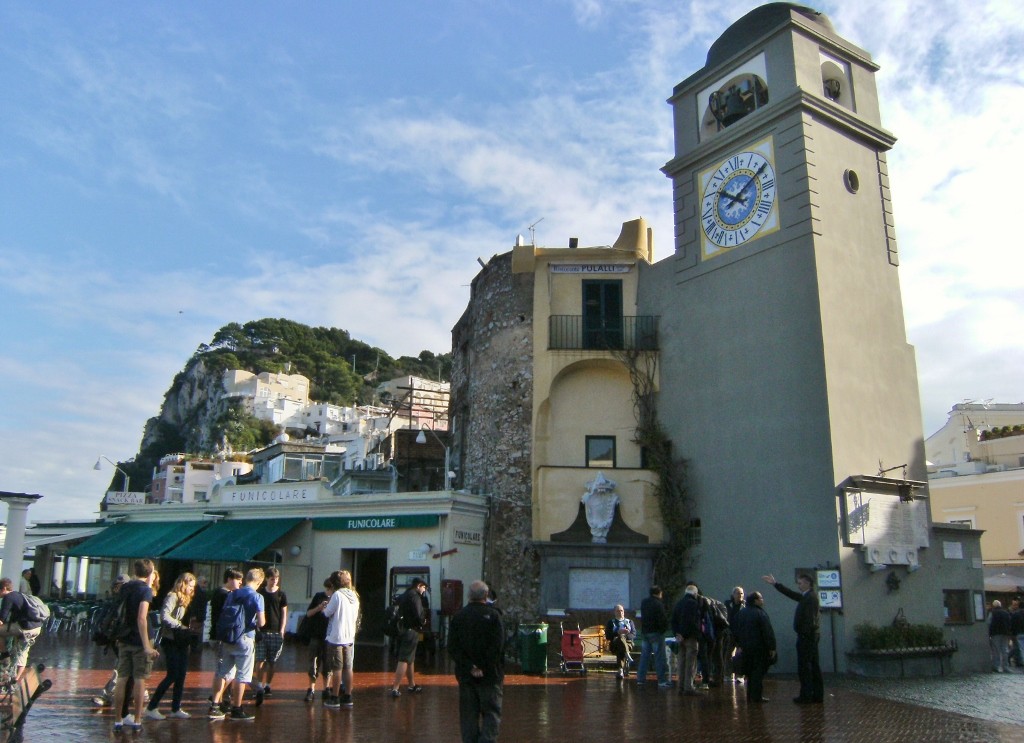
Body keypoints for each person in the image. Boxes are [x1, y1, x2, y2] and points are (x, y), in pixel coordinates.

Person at [449, 580, 504, 743]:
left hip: (466, 676)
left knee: (468, 716)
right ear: (486, 596)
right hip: (490, 675)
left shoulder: (458, 617)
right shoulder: (494, 616)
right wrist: (483, 666)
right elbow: (497, 646)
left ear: (468, 596)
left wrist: (470, 666)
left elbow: (453, 647)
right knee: (491, 713)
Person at [209, 568, 265, 722]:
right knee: (242, 675)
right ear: (259, 582)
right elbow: (262, 622)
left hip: (228, 637)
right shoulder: (257, 596)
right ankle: (237, 708)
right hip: (245, 638)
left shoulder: (233, 593)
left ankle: (215, 706)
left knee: (222, 672)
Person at [111, 559, 161, 733]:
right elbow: (142, 617)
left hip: (123, 638)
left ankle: (118, 719)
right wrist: (146, 644)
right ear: (150, 572)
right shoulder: (145, 591)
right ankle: (137, 719)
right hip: (139, 641)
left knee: (122, 678)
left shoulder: (126, 587)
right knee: (140, 680)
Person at [763, 572, 823, 704]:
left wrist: (803, 633)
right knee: (812, 666)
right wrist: (776, 584)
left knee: (805, 667)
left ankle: (807, 695)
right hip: (810, 636)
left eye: (800, 583)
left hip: (807, 637)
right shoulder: (808, 597)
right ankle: (816, 694)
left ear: (807, 583)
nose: (799, 586)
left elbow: (810, 620)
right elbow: (791, 594)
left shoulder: (810, 598)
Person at [145, 572, 197, 719]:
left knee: (181, 675)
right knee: (172, 674)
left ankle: (176, 708)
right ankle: (152, 706)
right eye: (191, 586)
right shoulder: (172, 596)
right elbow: (164, 615)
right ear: (184, 584)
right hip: (171, 640)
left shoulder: (186, 598)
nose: (192, 589)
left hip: (181, 640)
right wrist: (179, 625)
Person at [93, 574, 132, 708]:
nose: (117, 588)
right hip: (119, 639)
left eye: (119, 586)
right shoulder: (119, 601)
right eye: (116, 586)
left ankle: (109, 694)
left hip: (122, 639)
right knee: (122, 667)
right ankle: (111, 694)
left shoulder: (120, 601)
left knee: (122, 667)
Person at [323, 570, 360, 709]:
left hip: (336, 636)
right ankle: (348, 695)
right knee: (348, 667)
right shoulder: (354, 596)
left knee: (337, 668)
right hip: (350, 636)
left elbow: (327, 612)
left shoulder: (337, 595)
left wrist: (325, 606)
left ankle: (334, 696)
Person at [207, 568, 242, 717]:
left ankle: (221, 700)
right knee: (225, 671)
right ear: (228, 579)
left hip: (218, 636)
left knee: (225, 670)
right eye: (237, 579)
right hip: (222, 637)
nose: (240, 582)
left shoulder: (221, 593)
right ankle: (216, 698)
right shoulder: (224, 594)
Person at [0, 577, 45, 683]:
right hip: (36, 628)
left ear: (4, 588)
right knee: (23, 653)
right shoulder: (19, 595)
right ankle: (15, 680)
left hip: (25, 628)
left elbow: (1, 619)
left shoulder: (8, 597)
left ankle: (4, 654)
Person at [734, 591, 776, 703]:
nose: (763, 600)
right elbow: (768, 632)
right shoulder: (760, 613)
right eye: (761, 598)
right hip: (759, 648)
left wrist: (739, 645)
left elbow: (736, 630)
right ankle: (756, 696)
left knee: (749, 672)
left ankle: (749, 695)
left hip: (746, 648)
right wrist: (772, 647)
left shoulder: (741, 613)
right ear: (755, 600)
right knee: (758, 672)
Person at [254, 567, 288, 705]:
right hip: (262, 630)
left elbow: (284, 612)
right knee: (260, 660)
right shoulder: (260, 593)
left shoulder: (281, 594)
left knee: (272, 661)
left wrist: (282, 630)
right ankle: (259, 686)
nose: (274, 581)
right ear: (267, 579)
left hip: (275, 631)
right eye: (272, 578)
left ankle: (268, 684)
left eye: (276, 579)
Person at [389, 578, 429, 697]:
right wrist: (423, 621)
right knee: (404, 659)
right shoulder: (415, 596)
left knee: (410, 659)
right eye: (423, 587)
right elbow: (418, 613)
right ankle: (395, 688)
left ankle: (412, 684)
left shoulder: (405, 594)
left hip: (402, 630)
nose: (424, 590)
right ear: (418, 586)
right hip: (411, 631)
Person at [303, 578, 336, 702]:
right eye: (329, 588)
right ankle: (311, 688)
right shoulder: (318, 596)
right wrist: (319, 608)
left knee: (328, 663)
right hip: (316, 634)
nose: (330, 591)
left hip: (329, 636)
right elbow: (308, 613)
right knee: (313, 661)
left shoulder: (336, 598)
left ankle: (326, 688)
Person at [636, 586, 671, 688]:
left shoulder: (644, 602)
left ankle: (640, 679)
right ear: (659, 593)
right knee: (659, 658)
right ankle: (662, 681)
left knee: (644, 657)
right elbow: (663, 619)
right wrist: (662, 630)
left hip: (645, 633)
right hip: (656, 633)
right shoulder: (658, 604)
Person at [671, 583, 702, 695]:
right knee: (691, 663)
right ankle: (688, 687)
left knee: (681, 662)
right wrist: (686, 634)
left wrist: (677, 634)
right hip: (690, 637)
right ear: (695, 593)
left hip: (680, 638)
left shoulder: (678, 603)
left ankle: (680, 687)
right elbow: (692, 622)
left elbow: (673, 620)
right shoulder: (693, 604)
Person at [604, 604, 636, 680]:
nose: (620, 612)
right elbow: (608, 636)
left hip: (628, 644)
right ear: (614, 612)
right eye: (618, 611)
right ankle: (627, 655)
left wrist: (626, 634)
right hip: (614, 644)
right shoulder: (611, 622)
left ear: (624, 612)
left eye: (621, 610)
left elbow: (634, 634)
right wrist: (618, 633)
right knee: (619, 639)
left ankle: (620, 670)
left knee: (621, 647)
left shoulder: (629, 622)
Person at [724, 586, 745, 684]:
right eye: (737, 593)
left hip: (741, 634)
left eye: (741, 593)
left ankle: (740, 676)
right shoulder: (728, 605)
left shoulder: (745, 606)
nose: (740, 595)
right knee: (728, 654)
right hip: (730, 633)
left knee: (740, 655)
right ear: (733, 595)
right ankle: (728, 674)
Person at [988, 599, 1013, 673]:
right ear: (1000, 605)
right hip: (1005, 633)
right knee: (1005, 650)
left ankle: (996, 666)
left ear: (993, 606)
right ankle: (1006, 667)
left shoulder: (992, 613)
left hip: (995, 633)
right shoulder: (1006, 613)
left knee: (996, 650)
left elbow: (989, 623)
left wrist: (988, 632)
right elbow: (1010, 622)